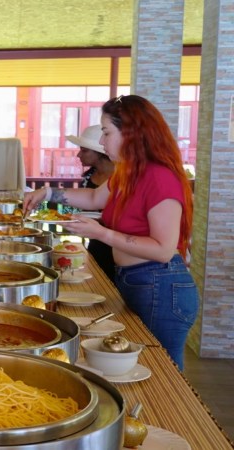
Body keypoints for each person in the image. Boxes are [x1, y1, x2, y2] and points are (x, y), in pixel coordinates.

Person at [23, 95, 198, 371]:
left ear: (131, 133)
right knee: (141, 363)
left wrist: (101, 234)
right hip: (138, 280)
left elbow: (163, 249)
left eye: (106, 133)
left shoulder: (159, 177)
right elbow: (93, 198)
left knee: (165, 373)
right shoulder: (129, 173)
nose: (102, 143)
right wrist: (48, 192)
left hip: (162, 285)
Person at [66, 125, 116, 280]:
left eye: (85, 150)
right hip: (96, 241)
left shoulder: (121, 177)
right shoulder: (89, 176)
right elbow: (89, 201)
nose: (79, 154)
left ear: (101, 153)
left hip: (117, 243)